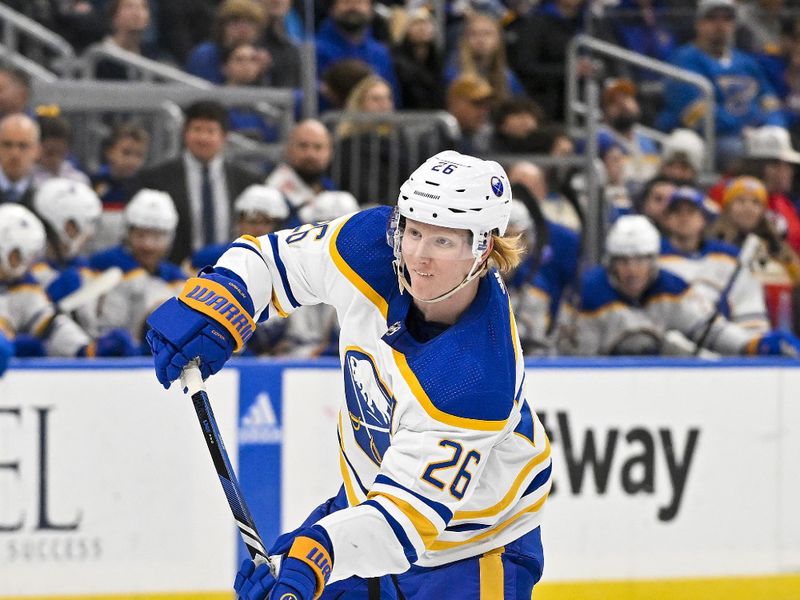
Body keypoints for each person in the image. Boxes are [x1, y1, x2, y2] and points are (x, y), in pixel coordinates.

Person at [146, 151, 551, 598]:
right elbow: (272, 262)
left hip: (470, 552)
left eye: (443, 242)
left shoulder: (474, 375)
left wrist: (314, 554)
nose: (418, 257)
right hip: (366, 510)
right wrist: (221, 302)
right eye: (413, 232)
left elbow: (403, 523)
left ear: (483, 249)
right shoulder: (370, 245)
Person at [559, 214, 800, 356]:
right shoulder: (588, 294)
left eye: (640, 260)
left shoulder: (672, 288)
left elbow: (712, 330)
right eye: (623, 261)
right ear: (611, 263)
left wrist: (754, 345)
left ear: (654, 261)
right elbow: (574, 359)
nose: (632, 270)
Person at [656, 0, 785, 169]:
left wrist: (772, 128)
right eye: (712, 18)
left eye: (727, 19)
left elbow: (770, 101)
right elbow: (701, 118)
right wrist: (747, 125)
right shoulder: (683, 61)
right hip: (713, 140)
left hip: (753, 135)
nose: (720, 25)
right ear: (699, 23)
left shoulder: (746, 62)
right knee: (740, 152)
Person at [132, 100, 262, 263]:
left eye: (210, 131)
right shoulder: (154, 179)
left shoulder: (247, 181)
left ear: (224, 137)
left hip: (232, 272)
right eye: (197, 130)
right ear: (185, 133)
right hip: (175, 275)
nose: (203, 138)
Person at [0, 203, 135, 359]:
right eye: (19, 256)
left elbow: (54, 327)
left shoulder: (25, 289)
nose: (27, 264)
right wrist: (12, 344)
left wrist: (86, 349)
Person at [658, 185, 770, 332]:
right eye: (676, 212)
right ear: (667, 220)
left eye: (691, 212)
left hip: (724, 344)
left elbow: (749, 309)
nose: (684, 217)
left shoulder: (729, 257)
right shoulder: (654, 256)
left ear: (703, 219)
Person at [87, 189, 186, 345]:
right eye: (141, 235)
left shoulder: (178, 279)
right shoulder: (101, 266)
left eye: (157, 237)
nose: (148, 245)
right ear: (128, 233)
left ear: (170, 238)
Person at [189, 184, 289, 272]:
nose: (259, 229)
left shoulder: (287, 261)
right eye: (252, 222)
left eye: (267, 222)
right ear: (239, 222)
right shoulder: (208, 257)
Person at [265, 119, 336, 224]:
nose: (310, 154)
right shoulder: (272, 191)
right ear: (288, 149)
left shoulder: (331, 188)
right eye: (303, 146)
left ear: (330, 152)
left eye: (318, 147)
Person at [31, 115, 91, 188]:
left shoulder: (79, 180)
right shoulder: (28, 180)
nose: (55, 159)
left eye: (59, 152)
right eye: (50, 153)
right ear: (36, 148)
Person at [0, 113, 40, 207]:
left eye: (23, 146)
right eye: (7, 145)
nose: (14, 154)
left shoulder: (42, 201)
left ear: (37, 151)